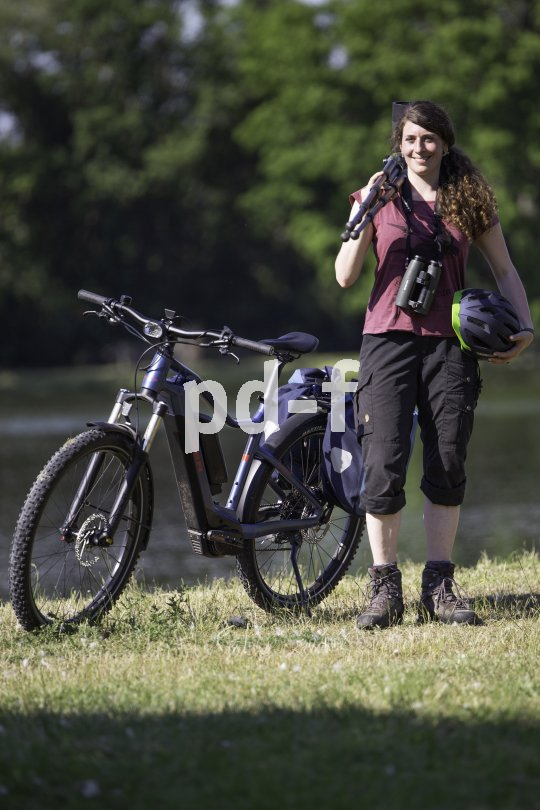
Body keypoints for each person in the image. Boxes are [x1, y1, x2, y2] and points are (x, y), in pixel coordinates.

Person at [335, 100, 534, 629]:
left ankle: (439, 585)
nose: (418, 148)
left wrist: (526, 326)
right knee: (383, 462)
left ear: (445, 142)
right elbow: (344, 276)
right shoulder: (378, 193)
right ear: (398, 143)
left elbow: (505, 269)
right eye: (409, 139)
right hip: (387, 341)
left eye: (428, 139)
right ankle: (383, 588)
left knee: (447, 460)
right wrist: (370, 207)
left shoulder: (468, 195)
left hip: (451, 346)